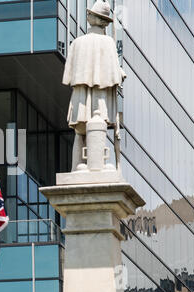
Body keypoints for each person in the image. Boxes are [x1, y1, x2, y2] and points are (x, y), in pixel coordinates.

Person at [62, 0, 126, 172]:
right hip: (101, 97)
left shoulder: (77, 43)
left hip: (82, 95)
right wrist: (119, 72)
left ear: (95, 18)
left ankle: (77, 166)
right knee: (99, 128)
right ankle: (98, 165)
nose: (87, 15)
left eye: (90, 13)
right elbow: (115, 77)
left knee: (80, 132)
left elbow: (68, 76)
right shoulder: (108, 43)